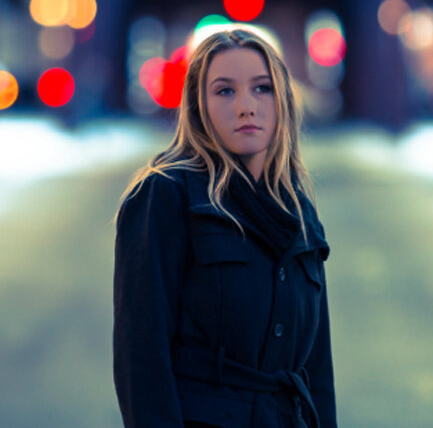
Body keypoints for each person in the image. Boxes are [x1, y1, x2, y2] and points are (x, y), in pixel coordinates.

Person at [112, 28, 337, 428]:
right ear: (198, 106)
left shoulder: (297, 206)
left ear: (283, 101)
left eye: (262, 88)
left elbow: (317, 367)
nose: (246, 107)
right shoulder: (166, 194)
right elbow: (141, 357)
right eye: (225, 91)